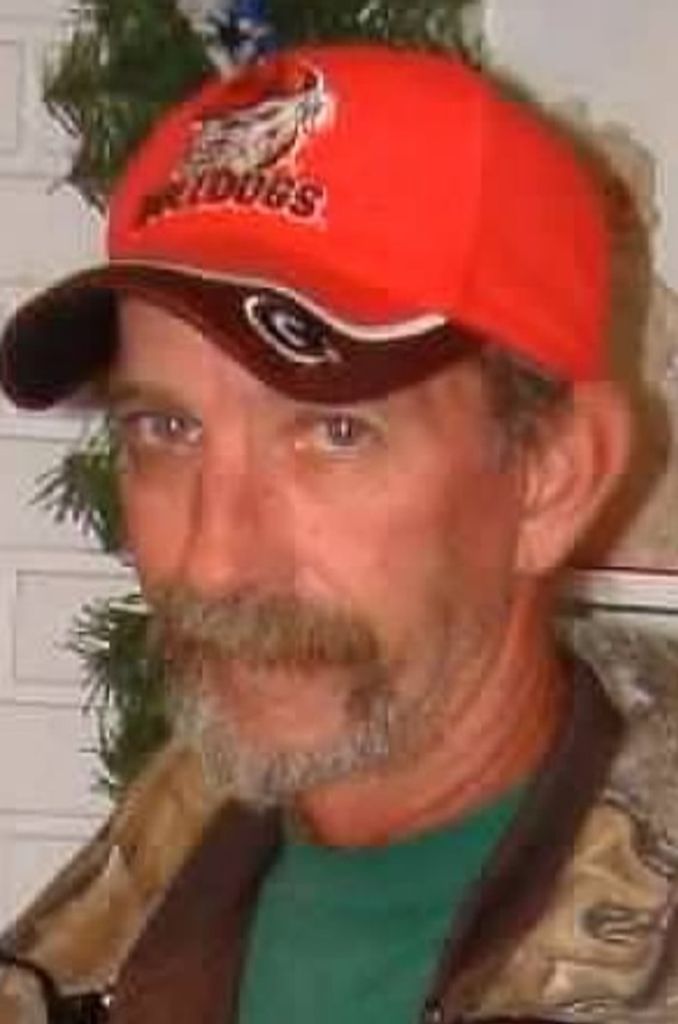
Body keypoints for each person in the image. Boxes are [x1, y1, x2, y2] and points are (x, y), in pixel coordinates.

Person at [0, 42, 676, 1024]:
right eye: (166, 429)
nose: (214, 562)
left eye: (334, 433)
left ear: (553, 478)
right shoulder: (93, 947)